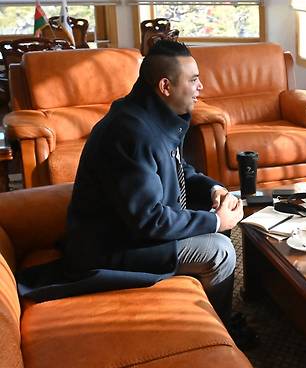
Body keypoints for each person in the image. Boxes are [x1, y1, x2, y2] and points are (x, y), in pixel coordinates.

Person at [19, 40, 245, 329]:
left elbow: (179, 169)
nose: (201, 86)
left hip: (131, 230)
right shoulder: (132, 133)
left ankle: (212, 307)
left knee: (213, 222)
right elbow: (148, 220)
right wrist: (215, 221)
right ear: (165, 86)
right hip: (113, 245)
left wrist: (215, 189)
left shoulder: (154, 116)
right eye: (194, 80)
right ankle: (221, 326)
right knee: (220, 249)